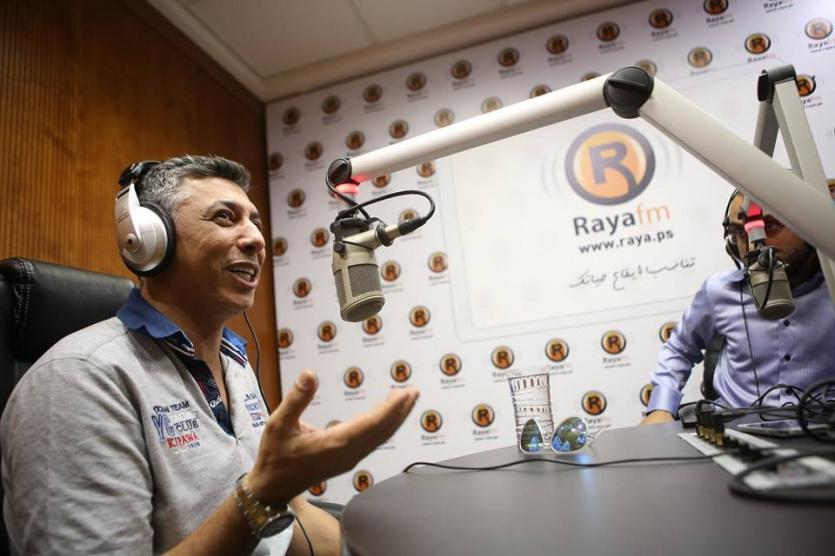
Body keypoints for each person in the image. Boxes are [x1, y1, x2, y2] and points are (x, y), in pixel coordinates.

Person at [0, 155, 419, 555]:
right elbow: (264, 499)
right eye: (224, 217)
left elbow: (293, 519)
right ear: (148, 239)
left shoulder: (236, 365)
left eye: (255, 222)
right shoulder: (78, 380)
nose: (256, 239)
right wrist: (261, 496)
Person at [642, 190, 835, 424]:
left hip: (821, 430)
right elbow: (679, 349)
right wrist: (661, 407)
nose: (753, 245)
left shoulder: (831, 290)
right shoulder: (718, 291)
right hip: (737, 429)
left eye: (771, 226)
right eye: (739, 232)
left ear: (809, 229)